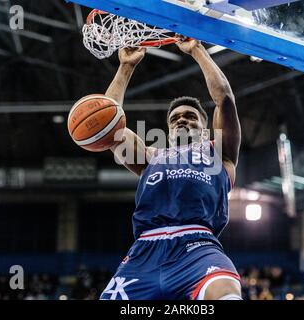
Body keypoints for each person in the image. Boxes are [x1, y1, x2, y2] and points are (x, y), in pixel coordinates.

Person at [100, 38, 242, 300]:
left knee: (226, 295)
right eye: (175, 118)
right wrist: (126, 67)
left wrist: (196, 50)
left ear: (205, 127)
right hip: (144, 252)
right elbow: (107, 125)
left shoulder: (219, 152)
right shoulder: (150, 156)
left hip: (197, 246)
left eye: (190, 116)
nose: (182, 120)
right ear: (168, 129)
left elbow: (224, 98)